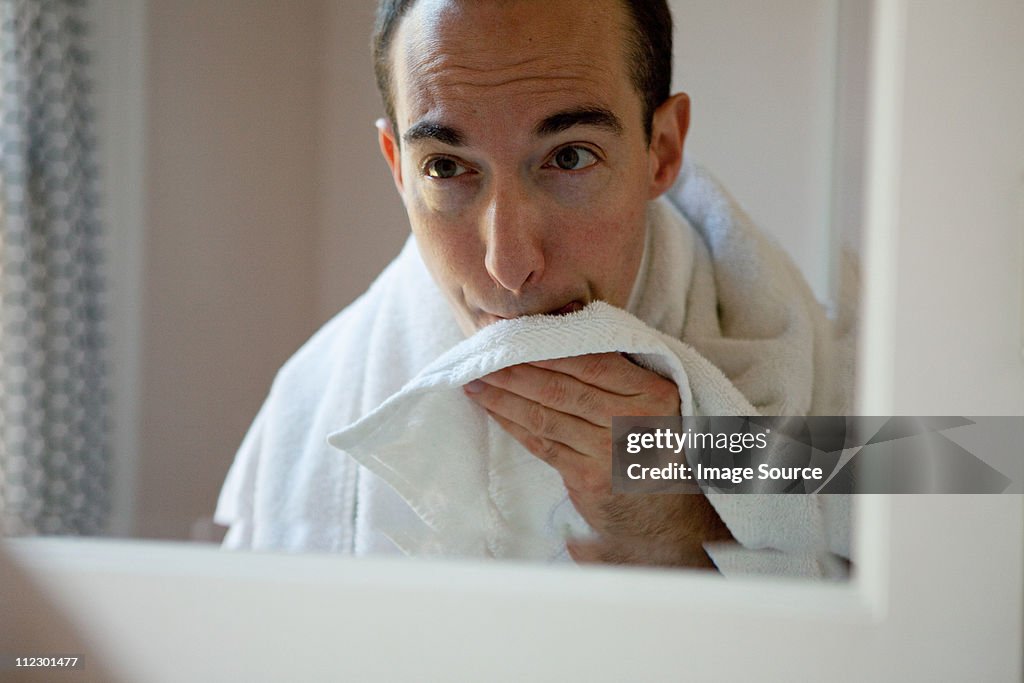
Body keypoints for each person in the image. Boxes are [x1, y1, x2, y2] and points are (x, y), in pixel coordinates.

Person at [215, 0, 853, 575]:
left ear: (661, 149)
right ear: (398, 168)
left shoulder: (849, 377)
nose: (508, 264)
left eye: (570, 157)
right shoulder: (310, 407)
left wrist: (678, 526)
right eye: (446, 167)